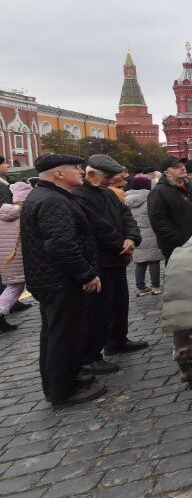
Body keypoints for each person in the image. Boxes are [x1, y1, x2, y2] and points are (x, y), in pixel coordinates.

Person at [20, 154, 106, 406]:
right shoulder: (53, 201)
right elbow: (61, 245)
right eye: (76, 168)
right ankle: (62, 391)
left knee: (55, 333)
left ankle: (64, 380)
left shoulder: (45, 196)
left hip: (51, 280)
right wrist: (86, 273)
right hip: (60, 281)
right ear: (58, 174)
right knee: (63, 335)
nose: (81, 171)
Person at [73, 154, 146, 369]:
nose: (110, 180)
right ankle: (91, 356)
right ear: (92, 174)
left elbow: (126, 216)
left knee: (119, 304)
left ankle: (117, 341)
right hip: (99, 261)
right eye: (107, 176)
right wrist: (121, 245)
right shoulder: (80, 196)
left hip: (115, 259)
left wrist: (131, 238)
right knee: (98, 311)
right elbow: (98, 227)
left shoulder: (108, 194)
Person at [148, 156, 192, 264]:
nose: (182, 168)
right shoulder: (159, 192)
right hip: (176, 247)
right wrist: (180, 239)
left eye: (182, 165)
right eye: (176, 167)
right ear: (166, 172)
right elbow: (158, 222)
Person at [0, 182, 33, 331]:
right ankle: (1, 311)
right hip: (19, 259)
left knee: (14, 286)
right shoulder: (24, 215)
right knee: (15, 288)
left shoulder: (3, 215)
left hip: (6, 259)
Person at [125, 176, 164, 296]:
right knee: (154, 261)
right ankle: (155, 286)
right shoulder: (150, 198)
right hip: (151, 234)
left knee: (140, 263)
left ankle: (140, 288)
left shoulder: (126, 200)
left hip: (135, 235)